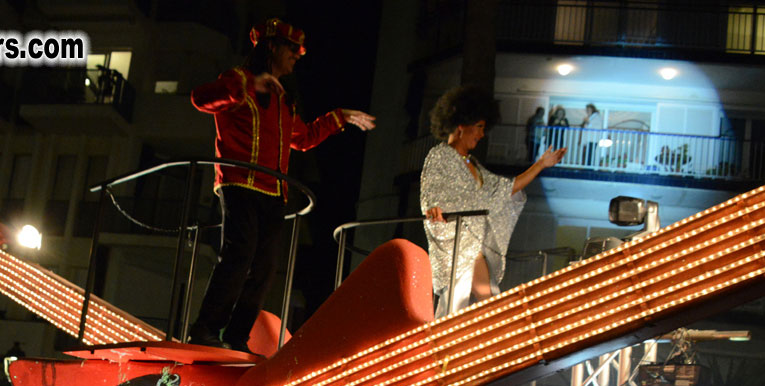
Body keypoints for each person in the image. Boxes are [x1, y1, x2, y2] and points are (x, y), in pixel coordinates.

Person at [186, 18, 376, 352]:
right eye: (293, 50)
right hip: (240, 183)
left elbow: (301, 138)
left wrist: (339, 117)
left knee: (264, 268)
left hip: (274, 193)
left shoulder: (282, 96)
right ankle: (205, 328)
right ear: (272, 47)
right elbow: (200, 100)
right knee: (238, 256)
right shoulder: (240, 79)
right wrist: (246, 87)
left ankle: (236, 336)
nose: (297, 57)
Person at [420, 86, 564, 316]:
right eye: (478, 127)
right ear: (461, 126)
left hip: (474, 244)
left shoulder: (472, 164)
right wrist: (434, 209)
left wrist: (541, 165)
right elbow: (431, 191)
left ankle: (497, 339)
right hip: (454, 243)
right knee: (463, 302)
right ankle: (446, 345)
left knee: (486, 300)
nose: (481, 134)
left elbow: (504, 189)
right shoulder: (439, 156)